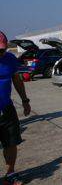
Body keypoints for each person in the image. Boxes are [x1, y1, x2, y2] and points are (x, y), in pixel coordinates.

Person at [0, 31, 31, 185]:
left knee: (11, 143)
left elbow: (17, 79)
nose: (1, 53)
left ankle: (10, 173)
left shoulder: (10, 59)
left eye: (3, 49)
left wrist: (25, 101)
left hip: (6, 109)